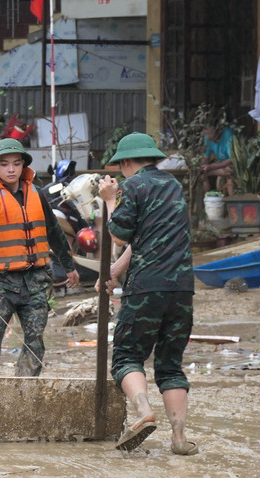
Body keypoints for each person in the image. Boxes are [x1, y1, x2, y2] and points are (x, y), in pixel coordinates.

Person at [97, 132, 198, 455]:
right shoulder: (173, 186)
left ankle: (143, 414)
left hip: (147, 287)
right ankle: (180, 439)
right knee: (170, 365)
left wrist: (111, 198)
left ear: (126, 163)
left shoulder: (132, 186)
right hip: (181, 289)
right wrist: (111, 273)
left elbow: (119, 236)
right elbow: (146, 240)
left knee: (127, 356)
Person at [0, 138, 79, 377]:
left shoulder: (37, 196)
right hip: (0, 283)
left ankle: (22, 396)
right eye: (5, 164)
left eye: (16, 164)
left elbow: (55, 233)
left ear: (23, 166)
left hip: (35, 281)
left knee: (35, 340)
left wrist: (69, 266)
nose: (11, 169)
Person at [201, 122, 235, 196]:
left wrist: (214, 166)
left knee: (230, 172)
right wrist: (202, 164)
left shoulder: (228, 134)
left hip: (234, 165)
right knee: (202, 173)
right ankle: (208, 200)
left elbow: (233, 159)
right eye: (205, 132)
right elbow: (206, 156)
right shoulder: (207, 137)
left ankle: (232, 202)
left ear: (216, 129)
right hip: (221, 166)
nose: (206, 135)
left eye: (208, 132)